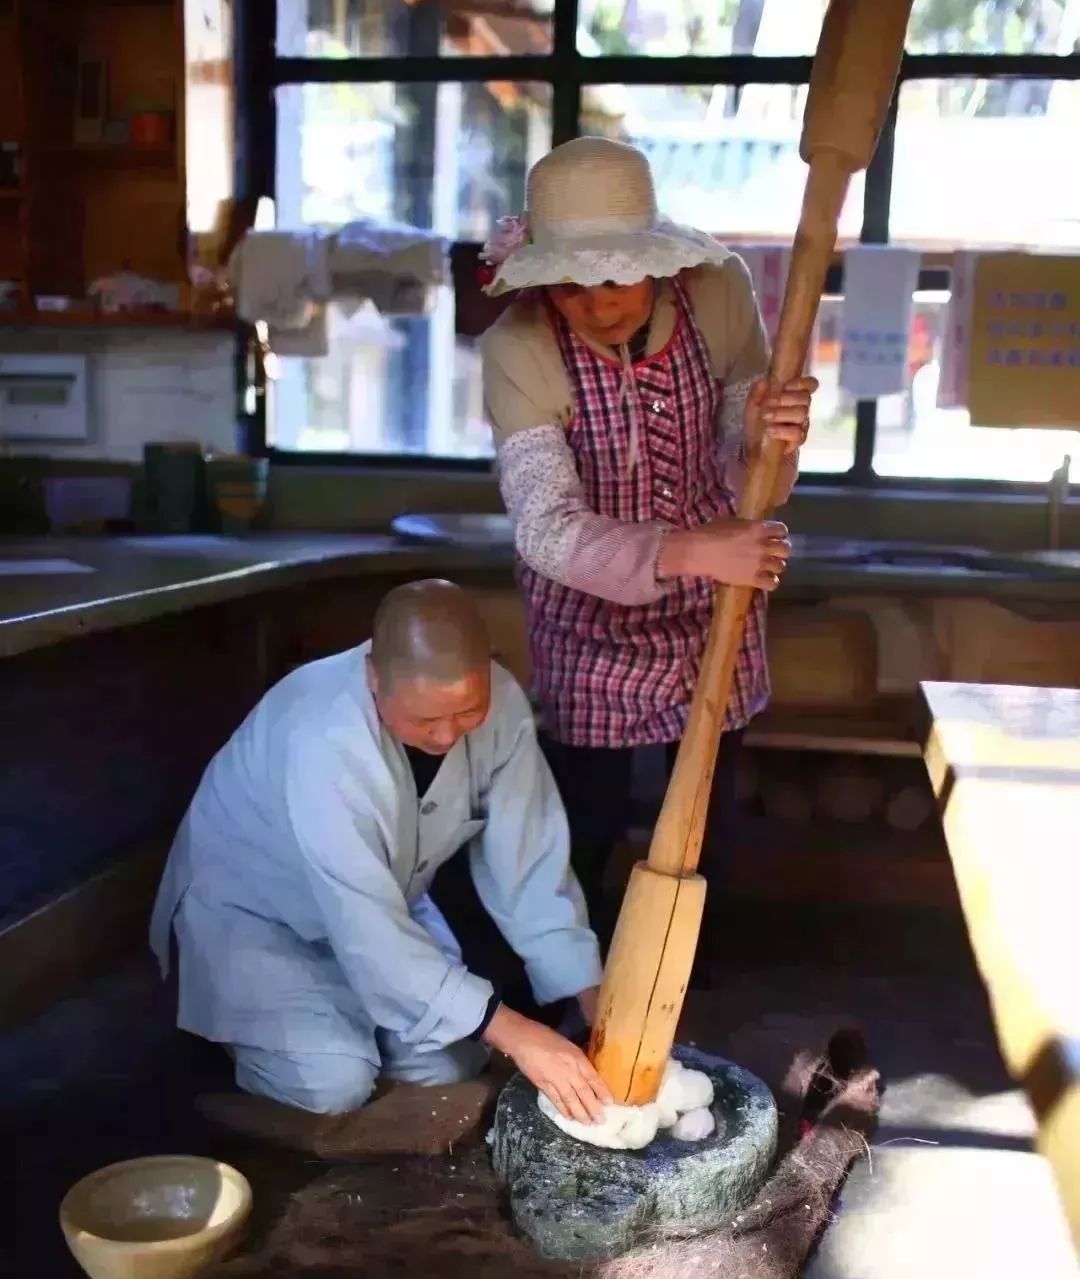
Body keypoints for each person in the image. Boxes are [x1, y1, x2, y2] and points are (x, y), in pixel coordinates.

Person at [481, 136, 817, 940]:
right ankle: (569, 985)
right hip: (586, 618)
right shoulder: (516, 345)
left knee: (704, 822)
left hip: (715, 611)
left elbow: (744, 455)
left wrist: (770, 433)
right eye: (570, 286)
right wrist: (696, 548)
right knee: (580, 827)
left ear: (656, 259)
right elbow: (545, 526)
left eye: (617, 276)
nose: (599, 304)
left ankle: (688, 986)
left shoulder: (718, 290)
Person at [150, 579, 610, 1128]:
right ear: (374, 676)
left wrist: (592, 998)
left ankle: (347, 1021)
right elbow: (365, 930)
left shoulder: (505, 705)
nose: (445, 735)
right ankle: (242, 1033)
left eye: (468, 711)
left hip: (386, 900)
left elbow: (528, 859)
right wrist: (520, 1035)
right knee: (334, 1085)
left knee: (449, 1067)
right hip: (256, 915)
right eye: (423, 719)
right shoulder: (324, 737)